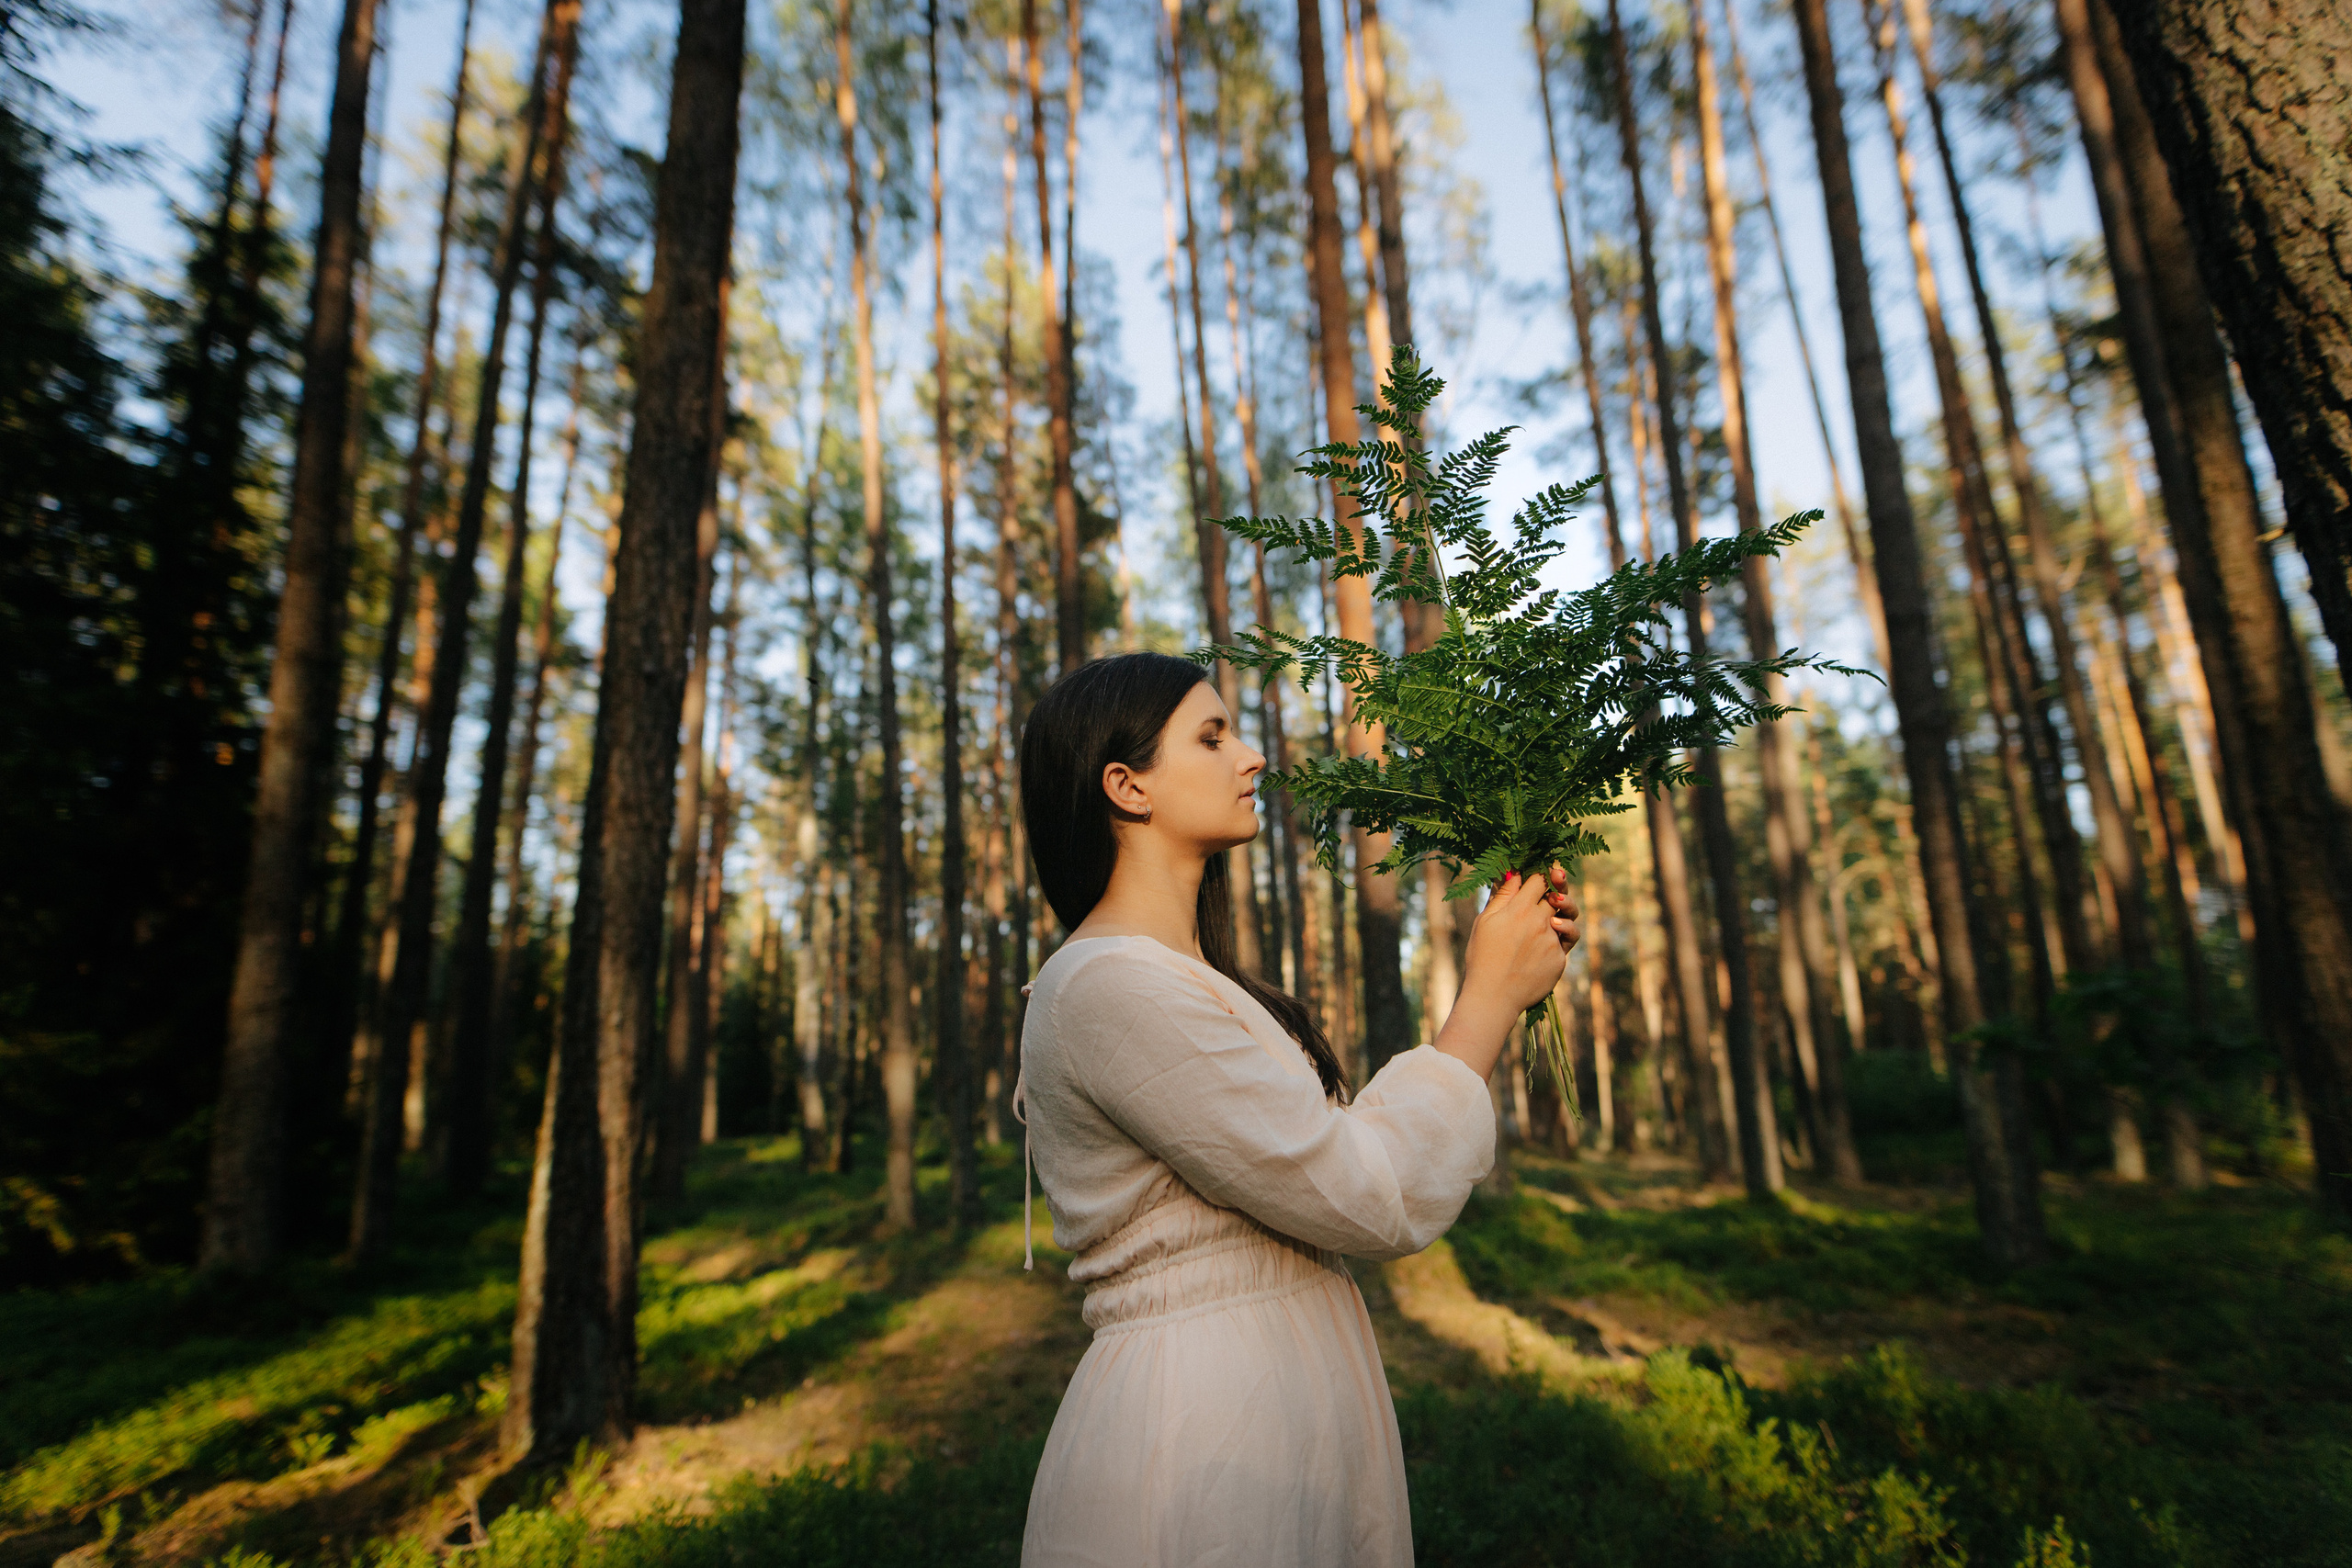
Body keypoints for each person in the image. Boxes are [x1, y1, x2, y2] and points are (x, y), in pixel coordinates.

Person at [1015, 652, 1579, 1568]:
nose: (1251, 759)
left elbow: (1327, 1158)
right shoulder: (1105, 986)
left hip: (1270, 1413)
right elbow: (1360, 1189)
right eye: (1212, 736)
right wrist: (1484, 1005)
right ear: (1126, 787)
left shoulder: (1179, 981)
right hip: (1200, 1439)